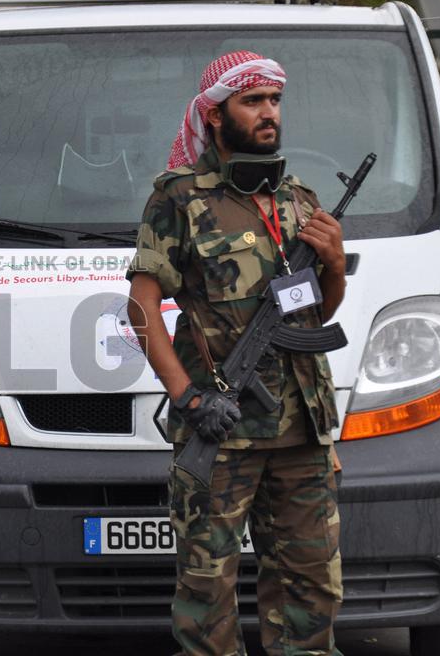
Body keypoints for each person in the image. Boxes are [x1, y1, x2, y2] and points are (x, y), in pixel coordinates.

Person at [126, 51, 345, 656]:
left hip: (302, 430)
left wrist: (332, 263)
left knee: (313, 591)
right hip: (222, 432)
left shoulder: (299, 199)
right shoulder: (180, 198)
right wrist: (188, 398)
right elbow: (142, 306)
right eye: (253, 101)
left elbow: (318, 315)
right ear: (216, 115)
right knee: (207, 596)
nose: (269, 112)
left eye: (275, 100)